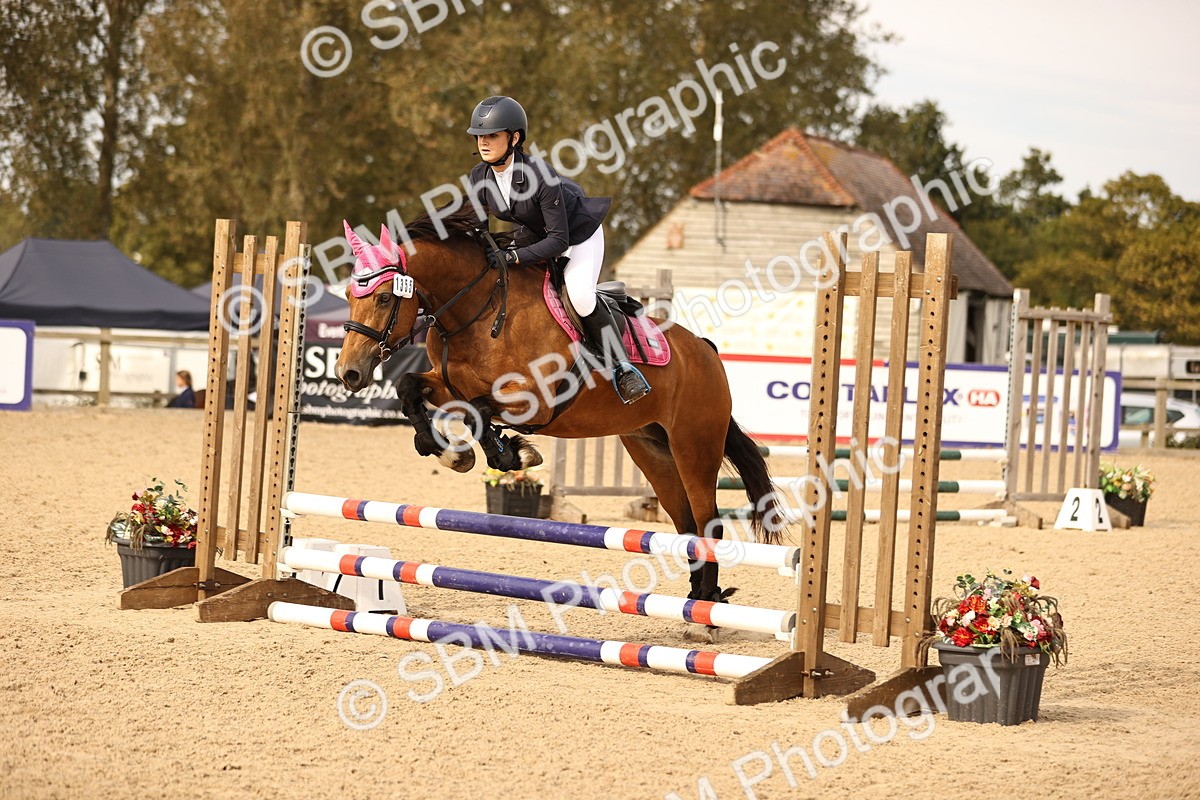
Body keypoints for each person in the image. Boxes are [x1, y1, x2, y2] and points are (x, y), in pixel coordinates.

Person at [465, 95, 651, 404]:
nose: (483, 142)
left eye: (492, 135)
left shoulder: (541, 176)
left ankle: (624, 368)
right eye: (480, 136)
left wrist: (511, 256)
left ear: (514, 138)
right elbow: (477, 227)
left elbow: (558, 241)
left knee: (578, 294)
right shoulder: (478, 176)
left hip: (578, 234)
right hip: (532, 234)